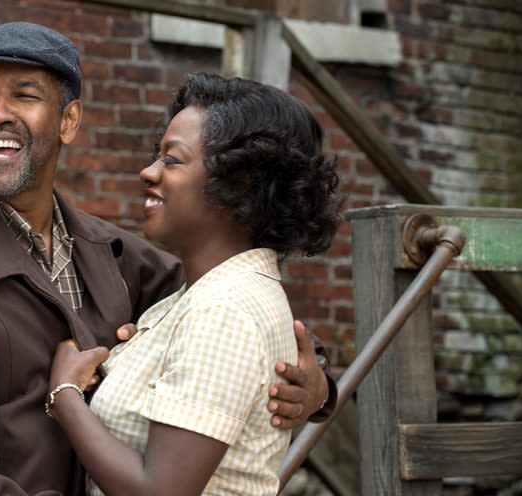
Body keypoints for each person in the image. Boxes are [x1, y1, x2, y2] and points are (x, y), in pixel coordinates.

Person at [0, 22, 333, 496]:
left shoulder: (112, 254)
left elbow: (232, 321)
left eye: (24, 95)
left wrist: (317, 388)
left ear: (68, 121)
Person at [46, 72, 343, 496]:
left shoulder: (223, 309)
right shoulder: (197, 297)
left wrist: (65, 396)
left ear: (238, 182)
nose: (148, 172)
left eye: (172, 159)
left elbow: (162, 491)